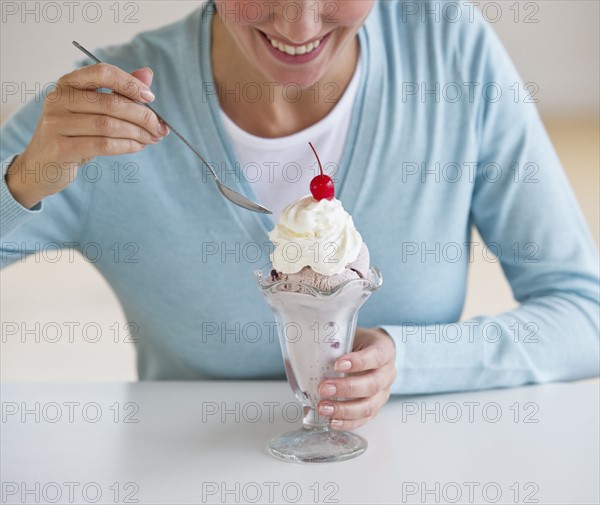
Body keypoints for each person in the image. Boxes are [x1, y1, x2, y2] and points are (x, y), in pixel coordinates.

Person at [1, 0, 598, 431]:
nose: (300, 24)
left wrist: (409, 360)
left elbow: (583, 313)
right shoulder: (108, 107)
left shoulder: (448, 52)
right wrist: (26, 178)